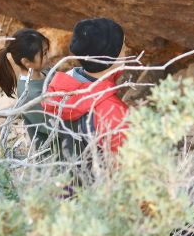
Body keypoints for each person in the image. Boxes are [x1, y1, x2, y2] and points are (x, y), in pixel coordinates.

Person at [42, 18, 129, 155]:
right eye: (123, 47)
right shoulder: (114, 113)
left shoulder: (61, 87)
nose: (126, 51)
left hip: (75, 172)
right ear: (111, 59)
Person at [0, 28, 52, 145]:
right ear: (26, 62)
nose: (49, 56)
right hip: (57, 154)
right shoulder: (30, 93)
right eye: (44, 53)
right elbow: (53, 127)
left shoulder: (45, 71)